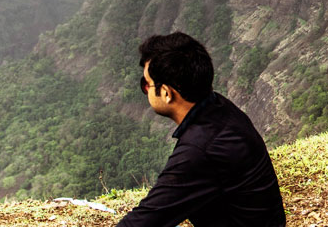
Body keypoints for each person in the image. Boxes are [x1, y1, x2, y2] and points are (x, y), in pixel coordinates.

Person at [115, 32, 286, 227]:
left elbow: (145, 221)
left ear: (166, 93)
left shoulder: (201, 150)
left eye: (146, 84)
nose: (145, 90)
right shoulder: (219, 106)